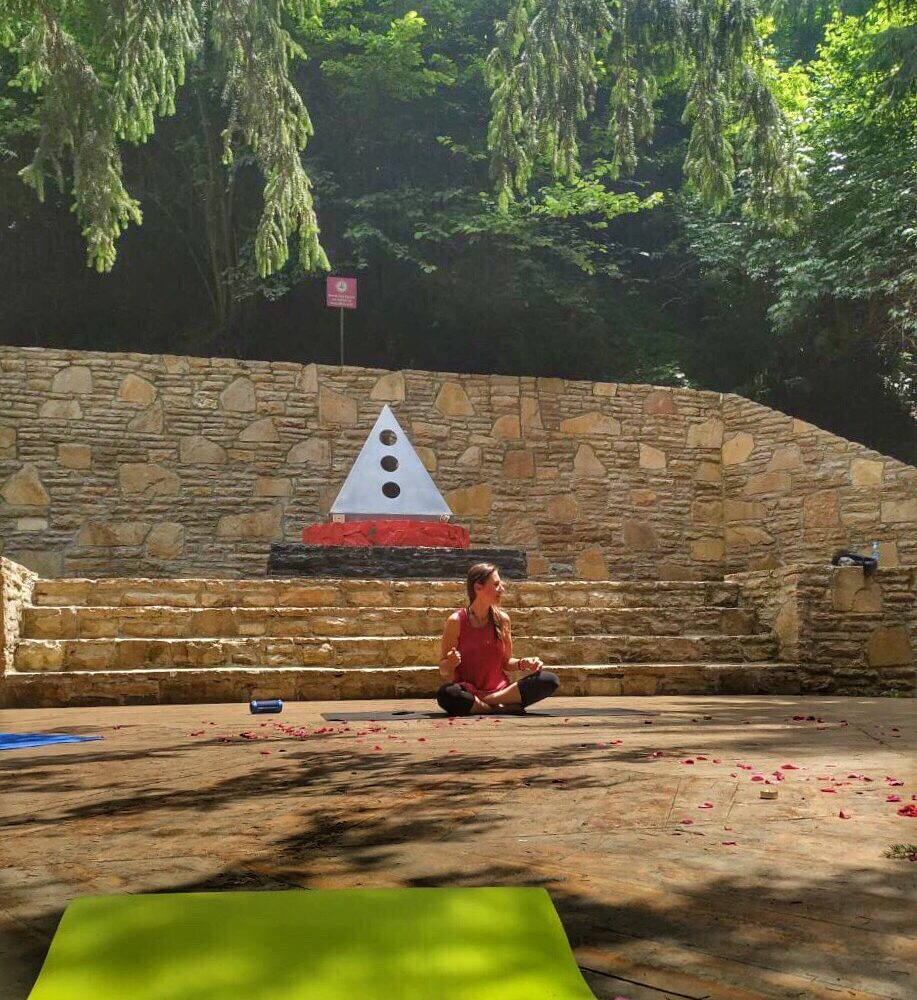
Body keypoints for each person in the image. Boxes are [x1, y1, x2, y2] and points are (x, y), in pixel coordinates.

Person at [436, 562, 560, 715]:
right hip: (468, 691)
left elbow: (507, 663)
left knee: (549, 680)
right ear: (478, 587)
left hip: (501, 692)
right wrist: (450, 663)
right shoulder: (456, 621)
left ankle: (486, 703)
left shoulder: (503, 619)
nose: (502, 588)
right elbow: (443, 670)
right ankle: (498, 708)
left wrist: (523, 663)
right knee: (446, 694)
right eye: (496, 584)